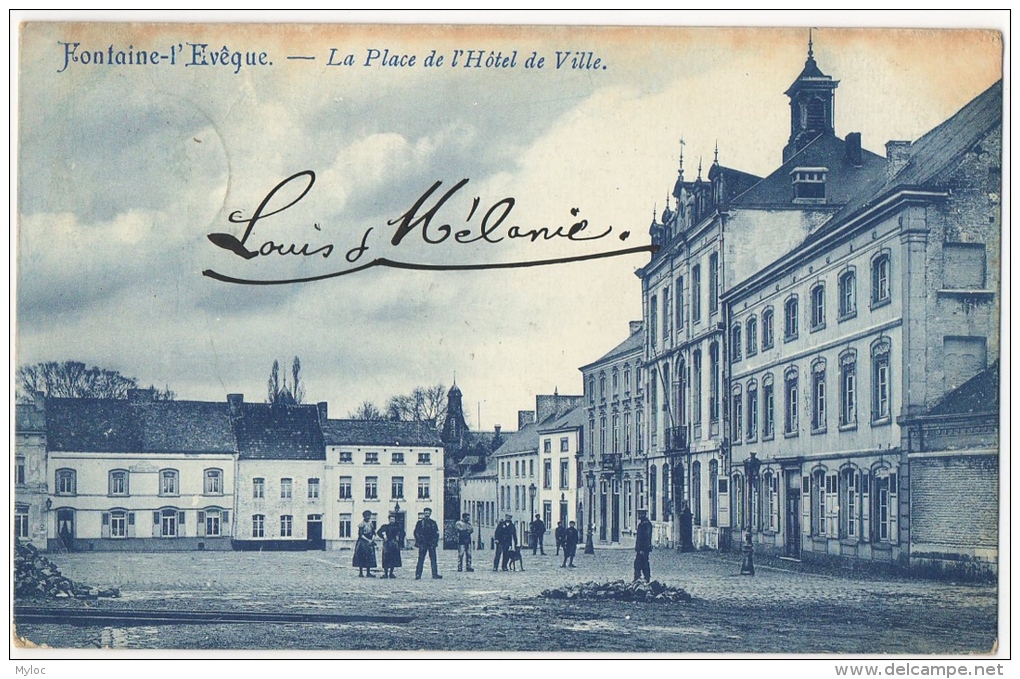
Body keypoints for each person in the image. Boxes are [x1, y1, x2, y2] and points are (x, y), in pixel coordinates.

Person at [413, 507, 442, 580]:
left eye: (428, 513)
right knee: (421, 559)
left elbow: (436, 533)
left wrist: (434, 542)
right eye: (425, 513)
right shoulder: (420, 523)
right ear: (424, 513)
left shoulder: (433, 523)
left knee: (433, 559)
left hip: (431, 543)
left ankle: (435, 574)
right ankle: (418, 574)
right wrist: (419, 541)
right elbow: (416, 532)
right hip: (423, 543)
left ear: (430, 514)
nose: (427, 515)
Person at [352, 510, 377, 578]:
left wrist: (372, 539)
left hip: (369, 542)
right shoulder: (361, 524)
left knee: (369, 557)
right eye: (366, 516)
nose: (368, 517)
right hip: (362, 542)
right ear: (364, 516)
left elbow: (374, 533)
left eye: (369, 516)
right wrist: (368, 540)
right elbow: (361, 535)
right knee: (361, 556)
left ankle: (368, 572)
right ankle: (361, 572)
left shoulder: (371, 524)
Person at [376, 515, 403, 579]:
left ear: (395, 520)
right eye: (391, 519)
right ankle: (385, 573)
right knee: (386, 558)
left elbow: (402, 533)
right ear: (389, 520)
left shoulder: (398, 527)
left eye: (393, 519)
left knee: (393, 559)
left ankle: (391, 573)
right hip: (387, 544)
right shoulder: (385, 527)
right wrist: (383, 536)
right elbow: (379, 532)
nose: (392, 521)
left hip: (394, 544)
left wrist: (399, 537)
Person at [634, 509, 653, 582]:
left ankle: (646, 577)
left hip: (644, 549)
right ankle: (637, 577)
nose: (639, 516)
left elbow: (647, 537)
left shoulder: (647, 525)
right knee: (638, 563)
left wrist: (643, 549)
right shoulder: (641, 524)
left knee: (643, 563)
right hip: (640, 548)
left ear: (643, 515)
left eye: (640, 514)